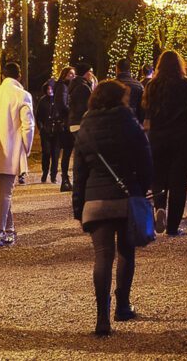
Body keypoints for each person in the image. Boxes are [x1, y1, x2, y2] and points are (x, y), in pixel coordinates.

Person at [71, 80, 153, 337]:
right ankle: (123, 306)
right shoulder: (129, 124)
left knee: (103, 256)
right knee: (126, 252)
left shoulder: (85, 127)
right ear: (120, 100)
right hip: (126, 198)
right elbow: (145, 161)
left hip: (95, 201)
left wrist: (78, 206)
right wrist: (142, 187)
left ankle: (101, 318)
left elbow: (80, 173)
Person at [142, 51, 187, 237]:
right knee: (179, 183)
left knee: (158, 177)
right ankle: (173, 226)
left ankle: (159, 207)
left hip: (158, 137)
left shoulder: (152, 86)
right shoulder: (186, 85)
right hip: (181, 138)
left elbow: (147, 114)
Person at [0, 62, 35, 247]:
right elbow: (28, 126)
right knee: (6, 193)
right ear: (19, 76)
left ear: (2, 75)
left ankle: (9, 230)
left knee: (5, 190)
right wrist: (25, 149)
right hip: (12, 149)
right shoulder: (23, 96)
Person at [62, 63, 93, 192]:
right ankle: (80, 182)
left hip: (73, 123)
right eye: (90, 71)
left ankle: (77, 181)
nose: (92, 73)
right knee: (82, 154)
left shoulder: (75, 85)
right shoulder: (83, 87)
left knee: (79, 152)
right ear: (86, 73)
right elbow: (85, 107)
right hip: (79, 123)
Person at [35, 79, 64, 184]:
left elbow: (63, 113)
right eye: (48, 88)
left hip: (57, 132)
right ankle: (45, 172)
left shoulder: (59, 100)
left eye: (51, 88)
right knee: (46, 153)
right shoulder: (43, 101)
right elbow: (38, 116)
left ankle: (53, 175)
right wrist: (42, 128)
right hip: (46, 132)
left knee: (55, 155)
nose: (49, 90)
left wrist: (61, 125)